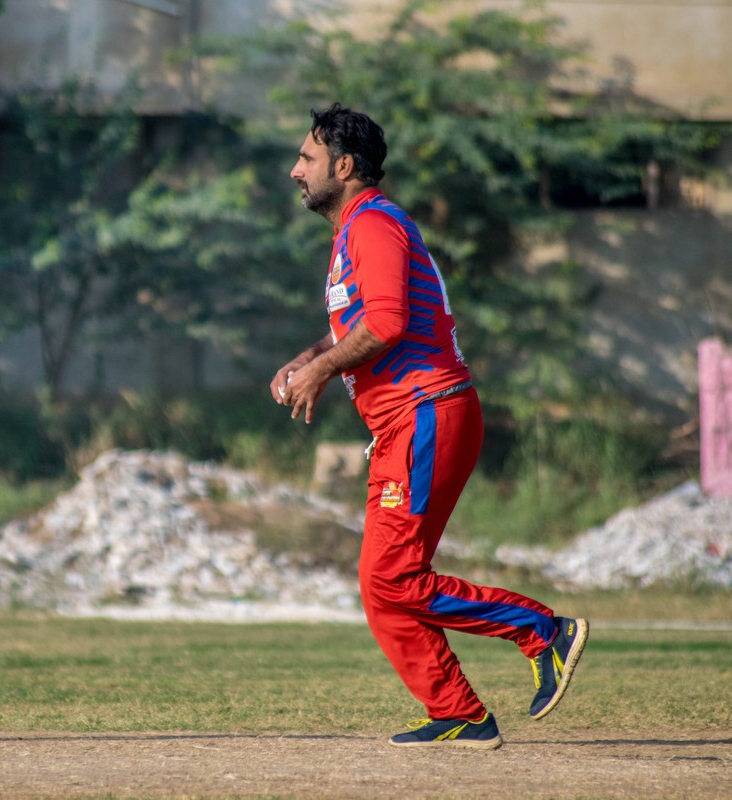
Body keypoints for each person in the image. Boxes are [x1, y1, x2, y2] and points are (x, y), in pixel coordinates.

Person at [272, 103, 588, 750]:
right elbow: (363, 322)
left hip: (425, 414)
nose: (295, 170)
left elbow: (387, 325)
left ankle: (543, 632)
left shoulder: (373, 223)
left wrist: (323, 370)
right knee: (382, 583)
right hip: (408, 423)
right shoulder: (353, 232)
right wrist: (311, 358)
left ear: (344, 166)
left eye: (306, 158)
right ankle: (459, 712)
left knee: (392, 577)